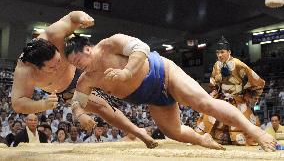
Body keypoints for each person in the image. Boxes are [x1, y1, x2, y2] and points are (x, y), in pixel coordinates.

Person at [64, 34, 277, 151]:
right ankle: (203, 140)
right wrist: (80, 115)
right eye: (74, 65)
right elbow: (77, 101)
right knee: (173, 132)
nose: (79, 67)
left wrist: (127, 72)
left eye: (78, 60)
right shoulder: (87, 79)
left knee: (204, 104)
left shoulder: (110, 45)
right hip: (153, 98)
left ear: (88, 49)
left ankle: (256, 132)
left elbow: (141, 47)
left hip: (164, 73)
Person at [11, 11, 157, 148]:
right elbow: (17, 103)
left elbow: (71, 17)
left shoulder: (53, 34)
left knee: (114, 78)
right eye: (51, 68)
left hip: (82, 67)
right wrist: (42, 104)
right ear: (36, 67)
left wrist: (82, 17)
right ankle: (137, 132)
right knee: (102, 108)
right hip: (67, 90)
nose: (58, 67)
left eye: (58, 60)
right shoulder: (24, 72)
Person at [195, 36, 264, 146]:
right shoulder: (216, 65)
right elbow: (213, 82)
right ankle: (208, 139)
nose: (219, 55)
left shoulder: (238, 64)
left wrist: (251, 95)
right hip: (222, 98)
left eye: (222, 52)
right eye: (217, 52)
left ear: (229, 52)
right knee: (209, 115)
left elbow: (257, 80)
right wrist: (213, 91)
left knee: (242, 123)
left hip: (237, 98)